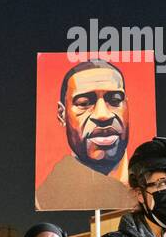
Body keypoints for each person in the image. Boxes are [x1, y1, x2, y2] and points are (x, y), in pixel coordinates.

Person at [36, 59, 134, 210]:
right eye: (83, 103)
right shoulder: (44, 199)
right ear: (62, 114)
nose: (103, 115)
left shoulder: (148, 189)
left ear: (127, 106)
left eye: (115, 100)